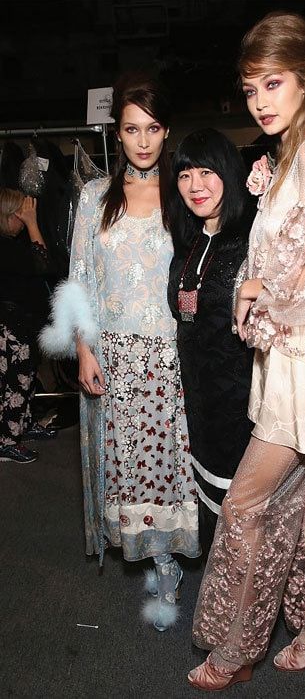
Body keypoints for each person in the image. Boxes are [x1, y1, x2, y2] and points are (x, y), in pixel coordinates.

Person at [187, 11, 305, 690]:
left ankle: (235, 650)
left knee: (244, 506)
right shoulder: (298, 149)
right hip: (290, 357)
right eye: (250, 87)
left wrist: (258, 286)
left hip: (303, 365)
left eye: (273, 82)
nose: (259, 99)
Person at [39, 70, 201, 632]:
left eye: (154, 128)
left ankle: (168, 559)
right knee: (127, 465)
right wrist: (83, 351)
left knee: (169, 465)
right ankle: (151, 552)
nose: (144, 141)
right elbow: (78, 280)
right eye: (132, 129)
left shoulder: (184, 193)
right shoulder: (92, 198)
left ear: (165, 131)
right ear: (119, 133)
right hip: (114, 356)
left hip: (167, 355)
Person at [167, 128, 256, 556]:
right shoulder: (186, 243)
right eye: (185, 175)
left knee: (246, 523)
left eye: (206, 172)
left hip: (244, 410)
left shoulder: (253, 242)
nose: (195, 185)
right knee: (213, 512)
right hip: (199, 407)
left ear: (229, 173)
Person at [0, 189, 57, 465]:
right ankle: (7, 442)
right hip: (11, 326)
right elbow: (43, 264)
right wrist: (34, 224)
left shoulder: (12, 242)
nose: (24, 221)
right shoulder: (4, 245)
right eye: (20, 216)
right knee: (15, 383)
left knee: (27, 379)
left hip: (22, 324)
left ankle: (24, 425)